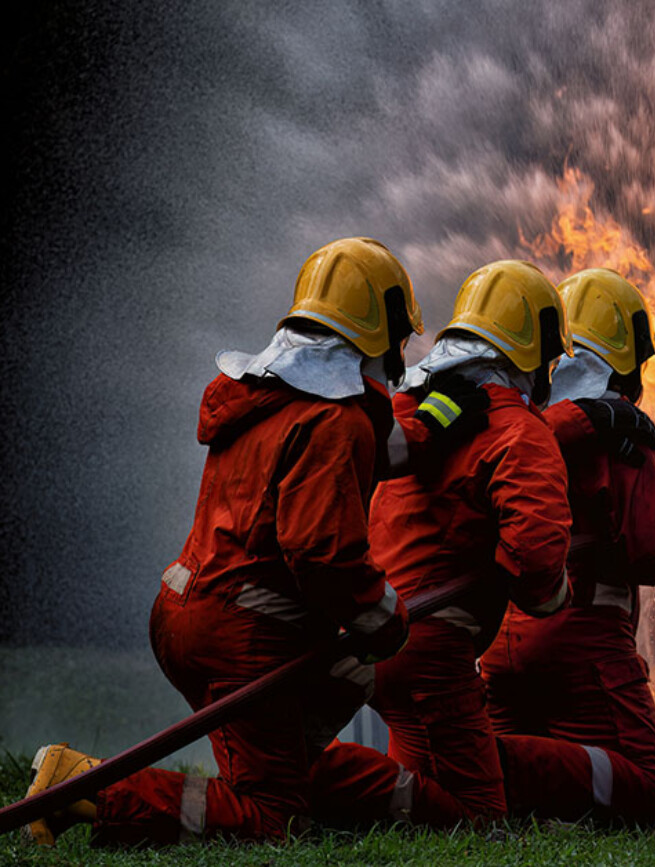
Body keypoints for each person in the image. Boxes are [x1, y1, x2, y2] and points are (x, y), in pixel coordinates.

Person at [21, 237, 473, 846]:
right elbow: (320, 552)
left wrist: (444, 409)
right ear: (380, 328)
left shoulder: (271, 396)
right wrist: (382, 611)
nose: (400, 357)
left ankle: (292, 767)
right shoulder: (333, 421)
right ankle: (87, 789)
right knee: (272, 818)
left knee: (317, 723)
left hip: (188, 611)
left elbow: (385, 443)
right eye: (400, 339)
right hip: (245, 635)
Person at [308, 259, 575, 828]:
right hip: (433, 652)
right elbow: (536, 561)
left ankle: (299, 783)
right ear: (534, 352)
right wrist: (555, 592)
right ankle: (299, 780)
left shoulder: (410, 412)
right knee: (480, 820)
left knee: (422, 801)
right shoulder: (522, 433)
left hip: (376, 636)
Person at [480, 267, 655, 828]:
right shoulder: (621, 432)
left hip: (503, 640)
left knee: (520, 787)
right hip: (583, 642)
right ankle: (491, 762)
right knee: (644, 785)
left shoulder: (521, 421)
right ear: (626, 361)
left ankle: (481, 763)